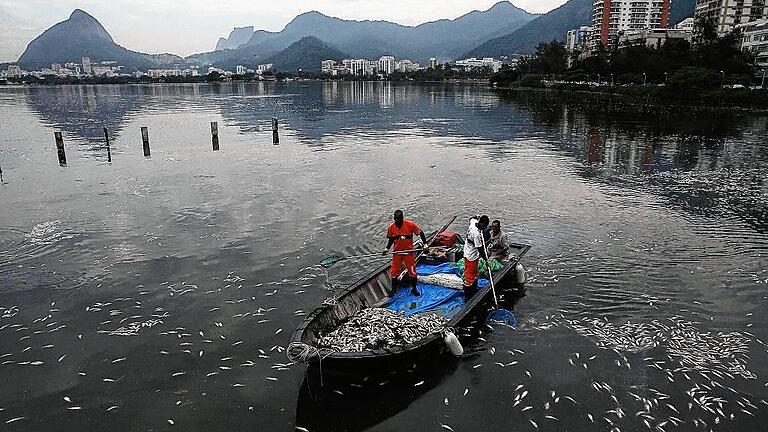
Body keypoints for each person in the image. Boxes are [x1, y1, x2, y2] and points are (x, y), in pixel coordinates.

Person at [383, 210, 427, 296]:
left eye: (400, 219)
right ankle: (394, 290)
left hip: (409, 253)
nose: (398, 221)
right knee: (394, 272)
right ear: (394, 219)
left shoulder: (410, 225)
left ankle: (414, 289)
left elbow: (420, 233)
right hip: (397, 253)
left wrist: (425, 244)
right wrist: (387, 248)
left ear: (403, 218)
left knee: (412, 271)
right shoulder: (391, 228)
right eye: (397, 219)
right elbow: (391, 239)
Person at [463, 215, 489, 302]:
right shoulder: (476, 234)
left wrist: (475, 216)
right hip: (471, 256)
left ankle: (474, 288)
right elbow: (480, 249)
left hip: (468, 251)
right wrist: (486, 260)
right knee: (469, 277)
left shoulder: (473, 222)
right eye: (484, 226)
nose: (484, 228)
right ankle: (468, 297)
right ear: (481, 223)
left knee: (474, 273)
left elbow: (471, 218)